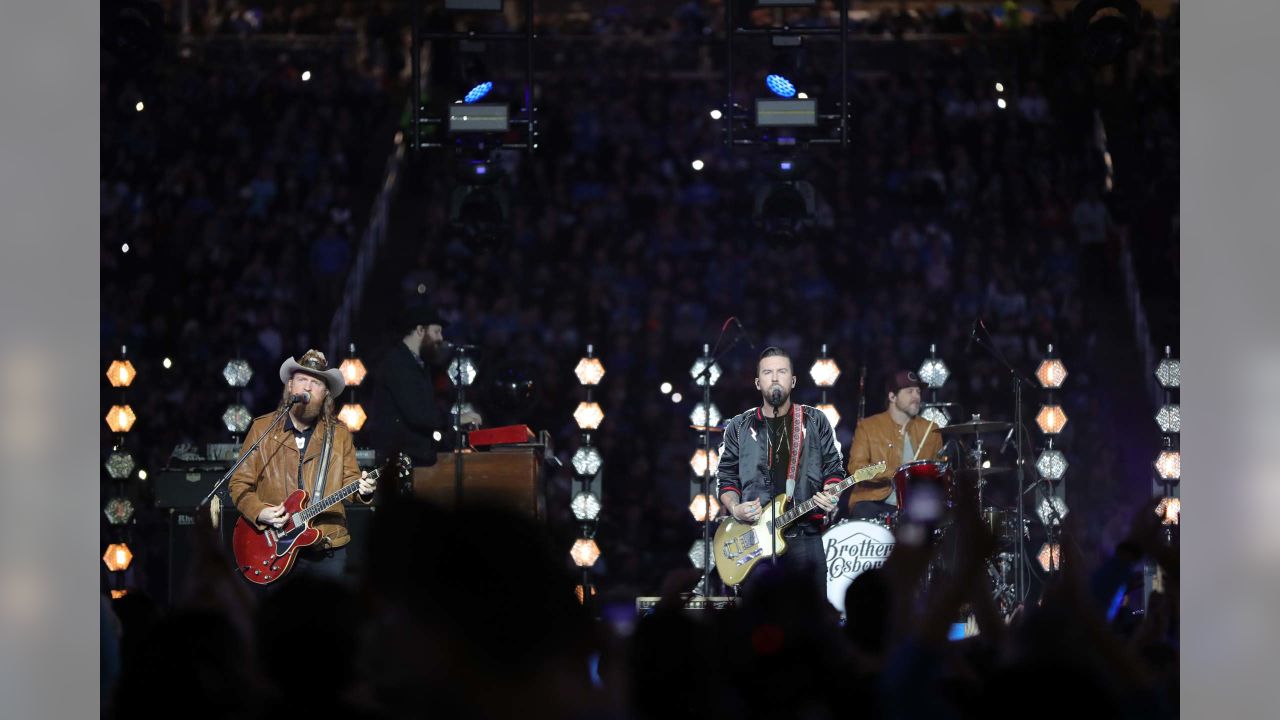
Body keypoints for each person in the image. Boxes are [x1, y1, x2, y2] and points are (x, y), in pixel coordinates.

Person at [229, 349, 375, 581]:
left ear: (326, 392)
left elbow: (351, 482)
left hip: (327, 544)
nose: (307, 387)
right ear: (290, 386)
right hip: (274, 545)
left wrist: (364, 490)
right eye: (302, 380)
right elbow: (238, 483)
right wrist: (260, 512)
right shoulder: (263, 429)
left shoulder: (338, 435)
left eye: (315, 382)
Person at [716, 346, 846, 595]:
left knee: (812, 618)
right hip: (754, 538)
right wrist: (735, 508)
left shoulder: (815, 420)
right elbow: (726, 478)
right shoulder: (738, 426)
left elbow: (834, 468)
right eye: (767, 372)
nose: (775, 378)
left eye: (782, 371)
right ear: (757, 382)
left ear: (793, 380)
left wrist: (832, 493)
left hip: (805, 533)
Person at [367, 304, 482, 467]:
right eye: (436, 332)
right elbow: (418, 414)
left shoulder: (419, 364)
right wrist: (457, 419)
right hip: (398, 461)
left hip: (414, 457)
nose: (441, 338)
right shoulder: (398, 363)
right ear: (420, 330)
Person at [845, 369, 943, 519]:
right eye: (910, 391)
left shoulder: (931, 429)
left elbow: (940, 471)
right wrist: (896, 472)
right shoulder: (868, 427)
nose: (916, 396)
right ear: (892, 396)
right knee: (863, 511)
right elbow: (856, 468)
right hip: (874, 502)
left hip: (916, 504)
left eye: (918, 392)